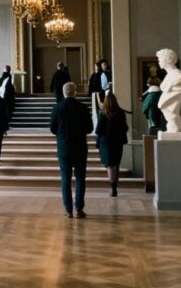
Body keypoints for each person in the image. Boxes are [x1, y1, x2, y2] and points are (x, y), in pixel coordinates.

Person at [50, 82, 93, 218]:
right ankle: (79, 209)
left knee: (65, 179)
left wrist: (62, 134)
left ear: (64, 92)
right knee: (80, 178)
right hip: (80, 147)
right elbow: (89, 129)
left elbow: (52, 128)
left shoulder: (58, 108)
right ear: (76, 92)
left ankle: (68, 210)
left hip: (64, 147)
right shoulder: (83, 108)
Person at [96, 93, 129, 197]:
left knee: (109, 165)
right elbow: (125, 128)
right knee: (116, 164)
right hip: (118, 141)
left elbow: (98, 130)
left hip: (105, 142)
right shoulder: (121, 113)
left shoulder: (102, 113)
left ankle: (112, 187)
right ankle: (115, 187)